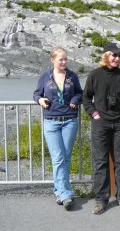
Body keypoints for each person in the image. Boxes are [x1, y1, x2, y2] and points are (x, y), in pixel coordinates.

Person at [83, 43, 120, 214]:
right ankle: (101, 199)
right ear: (106, 56)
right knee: (100, 162)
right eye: (114, 55)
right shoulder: (95, 75)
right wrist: (94, 114)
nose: (117, 58)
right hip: (101, 123)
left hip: (119, 123)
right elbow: (86, 98)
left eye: (119, 56)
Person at [33, 46, 83, 211]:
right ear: (52, 60)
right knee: (58, 158)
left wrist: (75, 99)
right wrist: (40, 100)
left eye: (65, 59)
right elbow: (36, 94)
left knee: (65, 158)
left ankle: (58, 191)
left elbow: (80, 93)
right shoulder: (45, 77)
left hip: (69, 120)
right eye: (61, 59)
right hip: (51, 121)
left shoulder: (72, 76)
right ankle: (66, 194)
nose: (64, 62)